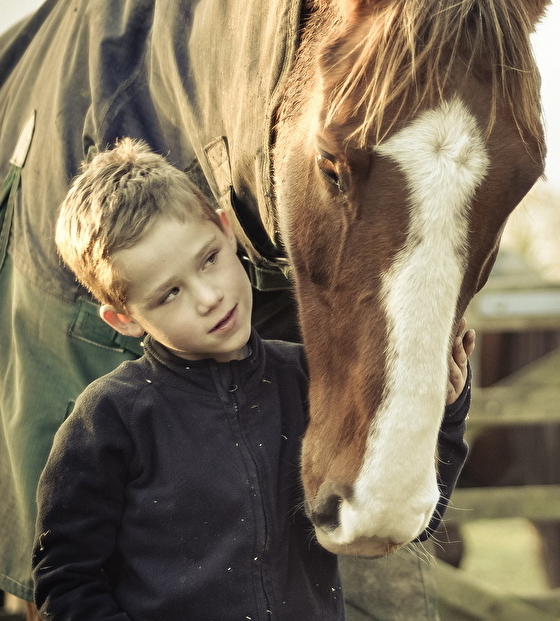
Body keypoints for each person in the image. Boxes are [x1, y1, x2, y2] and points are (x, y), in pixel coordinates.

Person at [32, 138, 472, 620]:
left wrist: (445, 411)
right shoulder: (110, 418)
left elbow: (404, 515)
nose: (208, 298)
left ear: (227, 231)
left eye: (209, 260)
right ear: (125, 319)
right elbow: (67, 580)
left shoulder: (311, 379)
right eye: (170, 293)